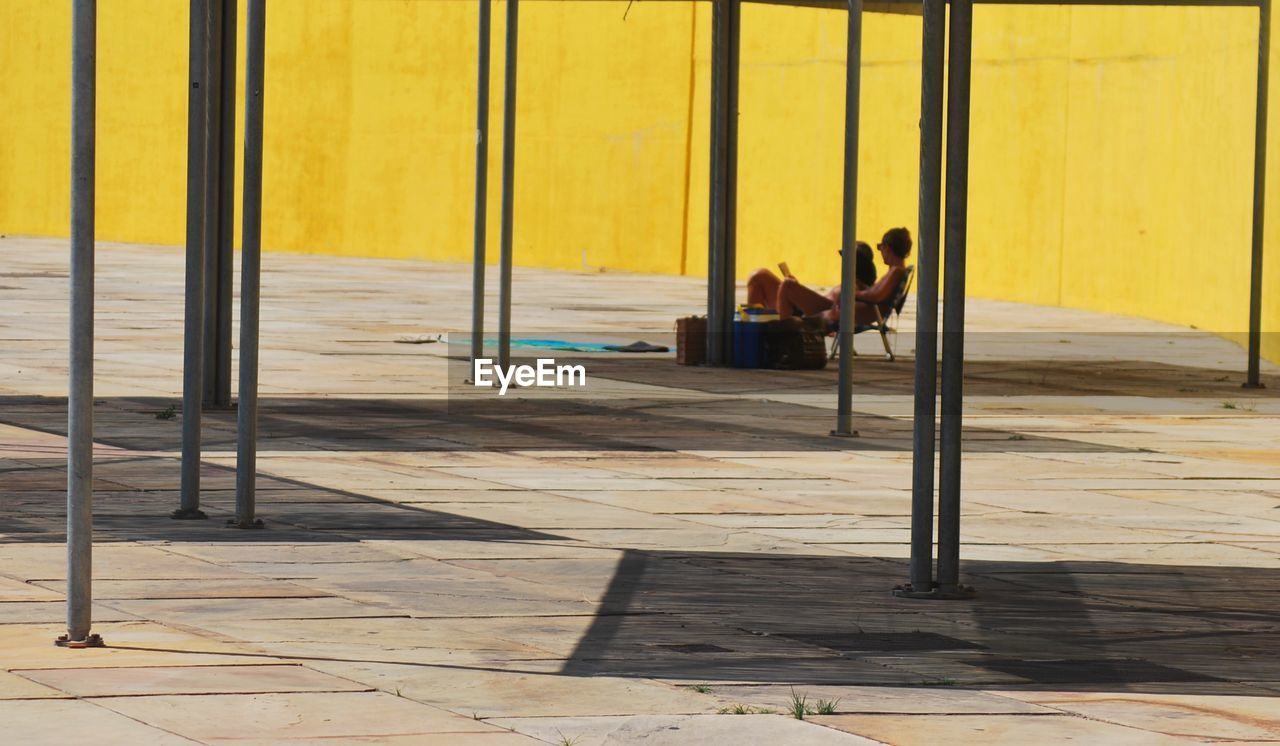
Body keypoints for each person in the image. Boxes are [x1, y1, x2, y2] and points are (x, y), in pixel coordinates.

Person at [746, 227, 912, 330]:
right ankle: (752, 332)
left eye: (880, 247)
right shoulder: (893, 273)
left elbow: (875, 297)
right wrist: (859, 286)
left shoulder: (896, 272)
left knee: (787, 285)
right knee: (760, 276)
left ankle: (781, 338)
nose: (880, 251)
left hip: (832, 309)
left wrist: (850, 291)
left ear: (887, 247)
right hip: (831, 306)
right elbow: (874, 294)